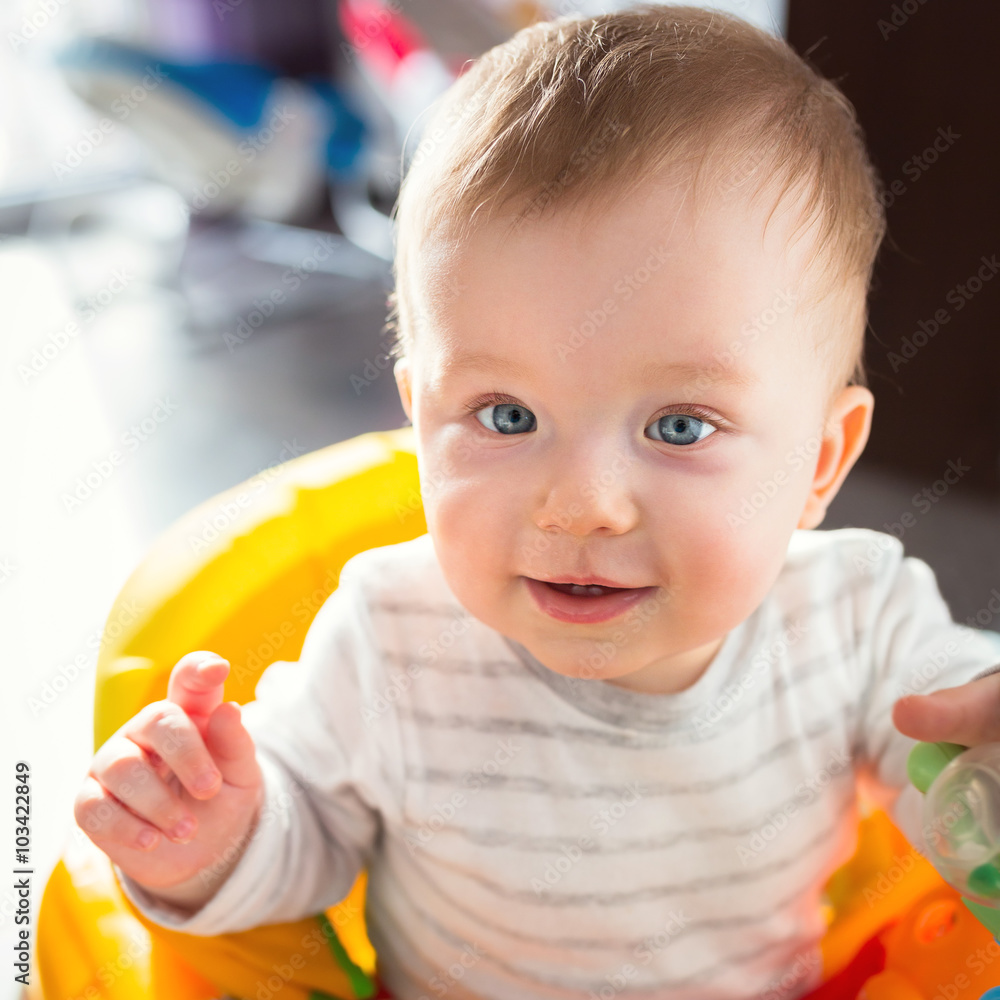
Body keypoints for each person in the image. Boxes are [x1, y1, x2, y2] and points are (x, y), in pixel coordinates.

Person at [73, 5, 1000, 997]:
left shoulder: (858, 619)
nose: (581, 508)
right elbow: (299, 848)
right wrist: (208, 842)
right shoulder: (390, 637)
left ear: (820, 461)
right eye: (505, 415)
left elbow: (959, 766)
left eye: (679, 426)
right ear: (420, 420)